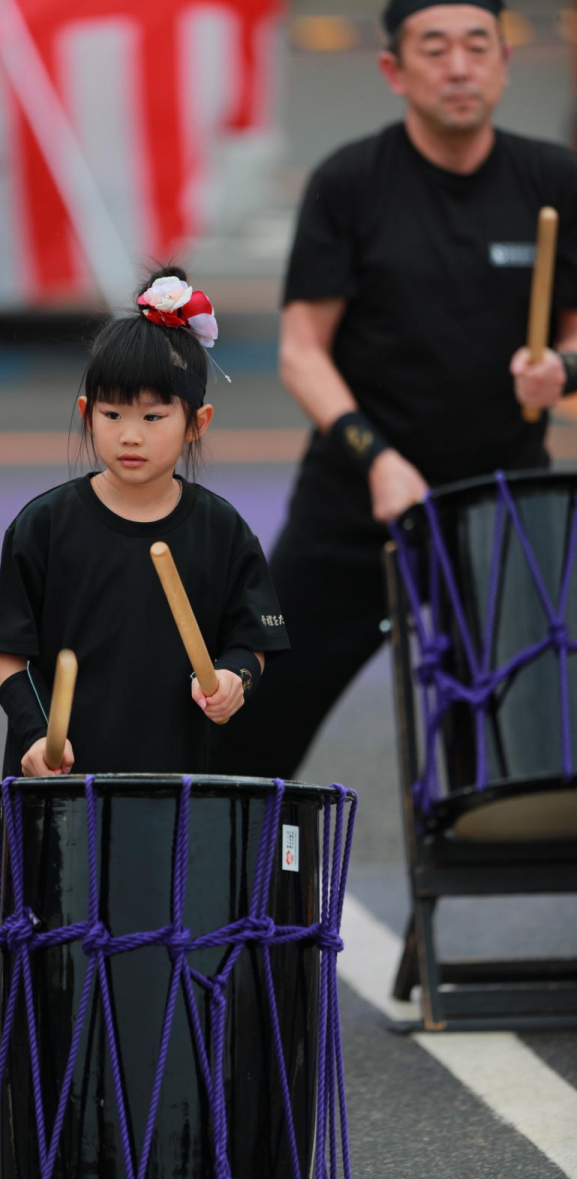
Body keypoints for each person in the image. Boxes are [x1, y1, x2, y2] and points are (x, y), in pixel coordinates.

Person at [211, 0, 577, 781]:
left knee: (523, 757)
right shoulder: (350, 182)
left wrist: (563, 372)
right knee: (257, 712)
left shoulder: (554, 179)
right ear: (393, 70)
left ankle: (459, 884)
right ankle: (215, 886)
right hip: (357, 495)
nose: (458, 66)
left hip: (503, 499)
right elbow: (302, 353)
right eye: (434, 48)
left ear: (506, 64)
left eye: (478, 47)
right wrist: (376, 457)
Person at [0, 268, 289, 778]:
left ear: (197, 423)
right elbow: (9, 655)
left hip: (184, 779)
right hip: (62, 783)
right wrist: (36, 734)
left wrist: (234, 677)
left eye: (152, 418)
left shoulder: (222, 530)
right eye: (112, 415)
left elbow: (253, 640)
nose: (130, 436)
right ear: (86, 414)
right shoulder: (44, 526)